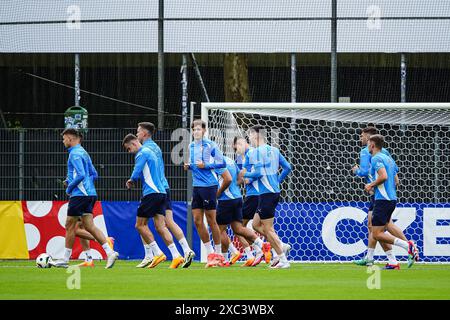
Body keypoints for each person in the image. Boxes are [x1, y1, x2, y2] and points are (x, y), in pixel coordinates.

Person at [51, 128, 118, 269]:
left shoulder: (74, 154)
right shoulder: (84, 153)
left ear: (70, 138)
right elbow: (94, 174)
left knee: (70, 225)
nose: (63, 141)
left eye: (64, 138)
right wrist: (77, 183)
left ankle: (64, 259)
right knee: (89, 226)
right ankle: (110, 252)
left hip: (80, 195)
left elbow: (81, 174)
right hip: (90, 194)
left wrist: (70, 188)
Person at [136, 122, 195, 268]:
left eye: (138, 132)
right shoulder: (155, 146)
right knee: (167, 222)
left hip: (154, 189)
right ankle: (185, 250)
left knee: (142, 223)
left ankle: (150, 255)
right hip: (164, 187)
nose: (136, 134)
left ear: (144, 133)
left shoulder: (145, 150)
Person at [123, 134, 184, 269]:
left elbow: (137, 170)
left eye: (128, 149)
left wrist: (131, 180)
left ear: (133, 143)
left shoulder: (141, 153)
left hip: (151, 193)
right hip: (162, 193)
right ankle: (176, 256)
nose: (129, 152)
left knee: (140, 225)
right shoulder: (151, 152)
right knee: (160, 226)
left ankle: (157, 253)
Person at [352, 127, 409, 269]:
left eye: (363, 136)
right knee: (376, 226)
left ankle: (408, 248)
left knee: (380, 228)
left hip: (379, 195)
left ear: (370, 140)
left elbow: (365, 171)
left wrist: (357, 172)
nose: (361, 139)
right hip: (386, 194)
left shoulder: (368, 152)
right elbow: (395, 171)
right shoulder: (385, 153)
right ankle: (380, 259)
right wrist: (393, 182)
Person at [238, 125, 292, 269]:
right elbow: (288, 168)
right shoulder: (274, 150)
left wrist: (245, 174)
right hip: (273, 192)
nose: (249, 138)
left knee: (268, 229)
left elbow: (258, 174)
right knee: (256, 224)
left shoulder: (254, 153)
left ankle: (283, 259)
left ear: (256, 136)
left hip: (267, 193)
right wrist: (277, 181)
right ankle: (281, 246)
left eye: (249, 135)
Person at [364, 134, 419, 268]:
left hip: (383, 200)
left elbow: (383, 176)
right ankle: (393, 262)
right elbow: (396, 180)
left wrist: (371, 185)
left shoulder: (376, 158)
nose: (367, 146)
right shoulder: (388, 159)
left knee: (376, 233)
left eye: (368, 144)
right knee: (379, 230)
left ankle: (408, 246)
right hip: (391, 199)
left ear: (372, 145)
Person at [184, 120, 226, 266]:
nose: (196, 132)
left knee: (211, 220)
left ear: (204, 131)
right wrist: (189, 166)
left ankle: (219, 254)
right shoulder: (191, 146)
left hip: (209, 186)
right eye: (194, 129)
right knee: (197, 220)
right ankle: (210, 254)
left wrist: (206, 165)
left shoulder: (211, 145)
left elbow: (222, 163)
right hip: (197, 187)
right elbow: (195, 165)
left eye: (198, 129)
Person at [215, 156, 265, 267]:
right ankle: (261, 244)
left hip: (226, 199)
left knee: (219, 230)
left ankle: (223, 258)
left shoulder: (218, 162)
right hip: (238, 197)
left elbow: (227, 179)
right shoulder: (230, 161)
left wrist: (218, 193)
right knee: (238, 228)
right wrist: (233, 187)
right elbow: (240, 178)